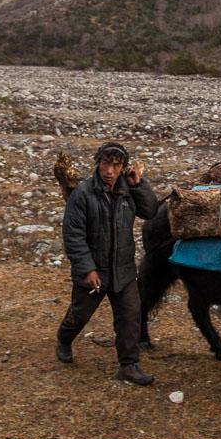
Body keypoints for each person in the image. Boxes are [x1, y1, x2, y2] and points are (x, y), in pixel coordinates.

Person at [57, 141, 158, 385]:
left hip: (123, 271)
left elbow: (151, 211)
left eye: (116, 165)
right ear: (98, 163)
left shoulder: (128, 191)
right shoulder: (83, 193)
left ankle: (128, 365)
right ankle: (64, 338)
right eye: (105, 163)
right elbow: (73, 234)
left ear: (123, 167)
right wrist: (87, 268)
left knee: (130, 316)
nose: (109, 171)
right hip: (94, 271)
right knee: (80, 314)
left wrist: (138, 184)